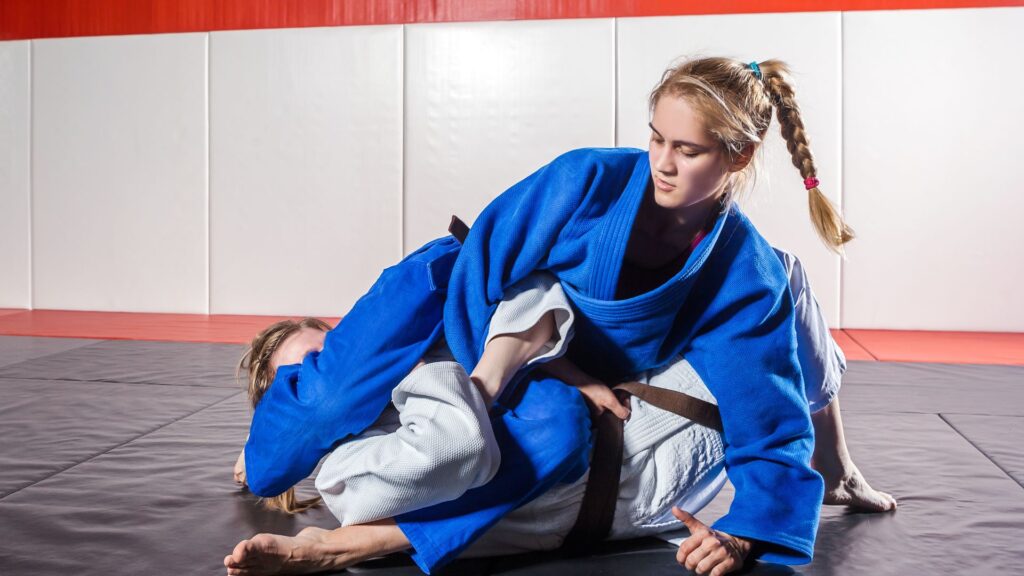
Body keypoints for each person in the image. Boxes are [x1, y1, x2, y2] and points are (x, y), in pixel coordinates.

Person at [227, 56, 894, 576]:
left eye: (685, 150)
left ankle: (838, 468)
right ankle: (274, 458)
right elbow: (482, 278)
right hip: (491, 332)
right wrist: (545, 370)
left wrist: (752, 528)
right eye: (656, 139)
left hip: (549, 358)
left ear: (738, 156)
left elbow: (763, 406)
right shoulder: (587, 182)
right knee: (338, 415)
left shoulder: (737, 268)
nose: (661, 162)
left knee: (560, 429)